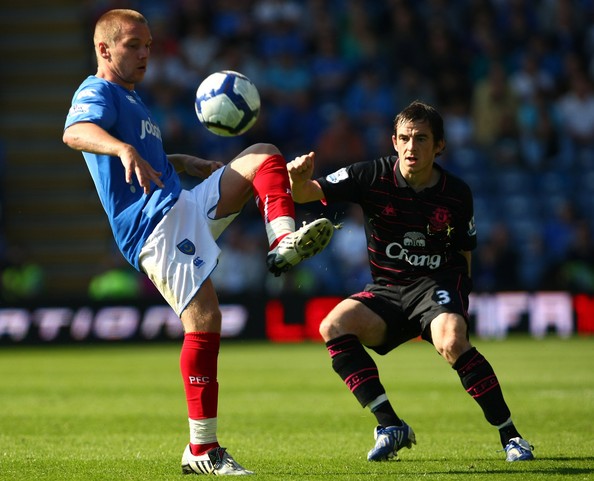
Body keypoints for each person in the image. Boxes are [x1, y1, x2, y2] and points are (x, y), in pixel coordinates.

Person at [63, 9, 334, 476]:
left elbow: (143, 160)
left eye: (148, 43)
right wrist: (122, 148)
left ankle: (283, 240)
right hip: (151, 227)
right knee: (205, 318)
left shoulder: (133, 101)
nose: (146, 53)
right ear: (104, 50)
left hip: (179, 204)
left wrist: (179, 161)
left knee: (262, 155)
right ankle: (202, 450)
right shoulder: (97, 90)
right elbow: (74, 132)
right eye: (133, 45)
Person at [287, 100, 534, 462]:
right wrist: (297, 177)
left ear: (439, 146)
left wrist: (456, 305)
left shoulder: (457, 193)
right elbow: (303, 193)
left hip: (435, 286)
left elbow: (465, 255)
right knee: (333, 326)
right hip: (387, 291)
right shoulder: (369, 175)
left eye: (421, 139)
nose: (411, 147)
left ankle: (512, 437)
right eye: (404, 138)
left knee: (451, 340)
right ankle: (389, 425)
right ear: (393, 141)